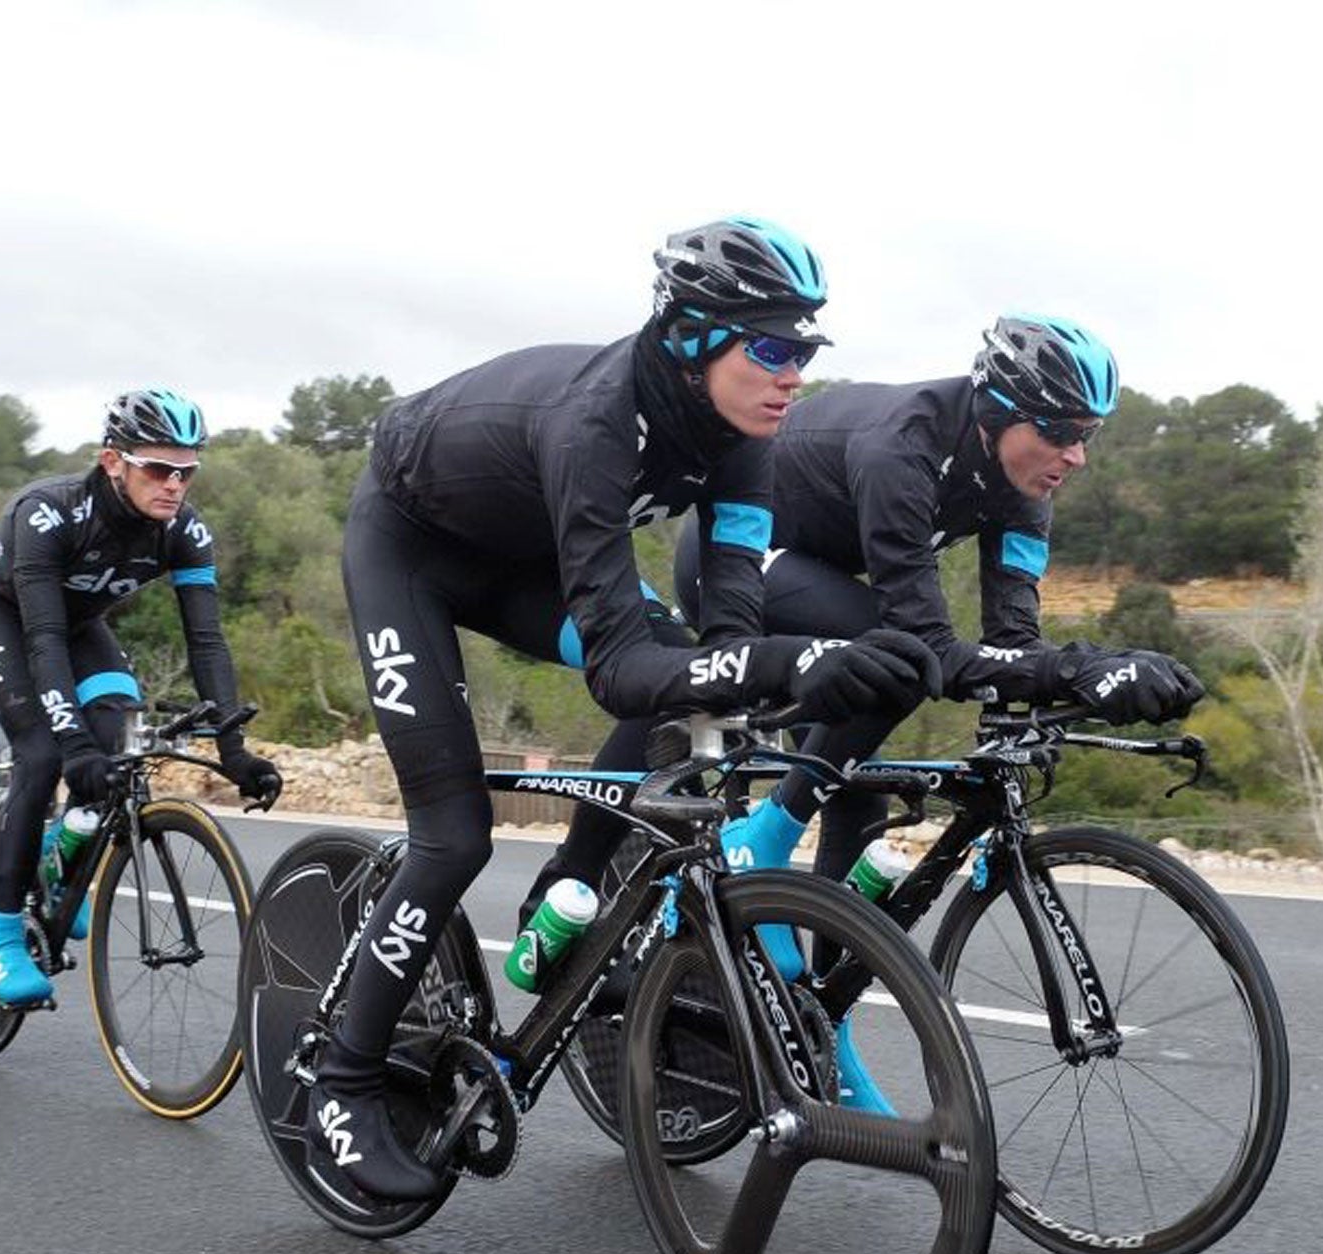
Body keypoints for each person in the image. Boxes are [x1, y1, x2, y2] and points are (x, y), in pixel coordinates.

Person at [315, 217, 943, 1199]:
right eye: (771, 349)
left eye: (804, 352)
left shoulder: (743, 438)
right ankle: (342, 1085)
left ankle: (575, 902)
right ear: (691, 334)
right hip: (412, 556)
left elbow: (727, 643)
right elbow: (616, 671)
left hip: (527, 565)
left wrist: (796, 669)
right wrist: (804, 654)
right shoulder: (597, 420)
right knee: (453, 836)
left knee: (691, 683)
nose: (793, 377)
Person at [669, 314, 1205, 951]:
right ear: (997, 409)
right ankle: (763, 843)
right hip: (729, 560)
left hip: (818, 573)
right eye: (1060, 430)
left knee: (856, 793)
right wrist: (1076, 668)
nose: (1076, 455)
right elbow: (930, 649)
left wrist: (1102, 675)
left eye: (1088, 433)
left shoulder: (1029, 489)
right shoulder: (905, 445)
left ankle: (820, 1013)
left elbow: (1016, 646)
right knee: (896, 658)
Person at [0, 388, 280, 1007]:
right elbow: (43, 638)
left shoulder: (184, 531)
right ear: (114, 462)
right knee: (43, 755)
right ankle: (0, 941)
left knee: (121, 741)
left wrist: (234, 749)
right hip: (4, 612)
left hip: (79, 626)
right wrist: (71, 740)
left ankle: (64, 848)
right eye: (158, 469)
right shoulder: (48, 515)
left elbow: (206, 642)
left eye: (187, 471)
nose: (174, 485)